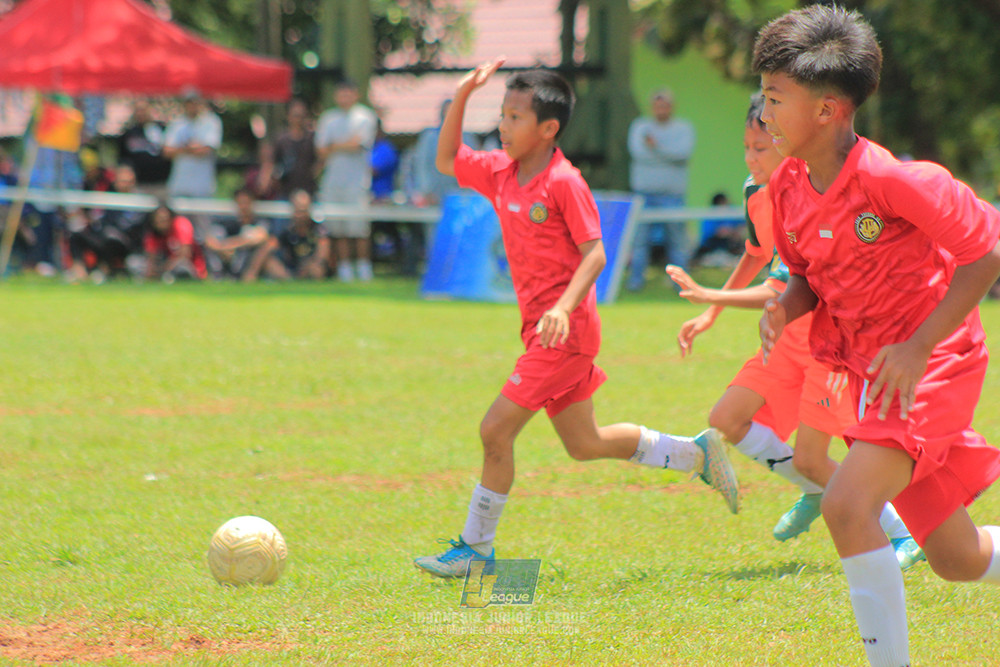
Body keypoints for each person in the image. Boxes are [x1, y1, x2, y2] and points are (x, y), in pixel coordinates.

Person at [412, 60, 739, 579]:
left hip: (566, 334)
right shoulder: (500, 171)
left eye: (515, 116)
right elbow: (448, 157)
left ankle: (476, 550)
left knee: (495, 430)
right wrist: (459, 96)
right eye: (502, 114)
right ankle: (695, 454)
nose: (503, 124)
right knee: (584, 443)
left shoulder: (564, 181)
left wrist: (563, 307)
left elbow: (595, 254)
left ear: (549, 129)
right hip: (542, 332)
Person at [753, 6, 1000, 666]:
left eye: (777, 98)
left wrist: (919, 346)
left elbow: (985, 255)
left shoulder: (895, 181)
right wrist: (787, 304)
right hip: (867, 371)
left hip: (929, 364)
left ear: (830, 110)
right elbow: (807, 273)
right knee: (957, 558)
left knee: (845, 504)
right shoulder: (786, 187)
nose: (764, 112)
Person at [666, 94, 923, 569]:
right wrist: (711, 315)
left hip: (826, 343)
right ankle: (813, 488)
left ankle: (902, 532)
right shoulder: (754, 192)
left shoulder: (810, 192)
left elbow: (779, 285)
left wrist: (710, 297)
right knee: (727, 417)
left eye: (761, 148)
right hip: (785, 337)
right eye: (747, 146)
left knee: (823, 455)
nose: (751, 158)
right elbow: (755, 253)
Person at [626, 88, 695, 291]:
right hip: (643, 195)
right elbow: (638, 153)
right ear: (652, 107)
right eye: (657, 105)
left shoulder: (684, 128)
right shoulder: (639, 126)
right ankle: (635, 283)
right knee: (639, 242)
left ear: (672, 107)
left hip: (673, 195)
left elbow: (683, 153)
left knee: (677, 242)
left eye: (665, 105)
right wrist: (668, 154)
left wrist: (655, 147)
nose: (661, 109)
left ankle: (682, 285)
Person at [315, 79, 377, 282]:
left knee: (359, 229)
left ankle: (364, 268)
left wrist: (335, 145)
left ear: (356, 95)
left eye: (348, 93)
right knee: (338, 228)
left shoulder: (365, 117)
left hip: (357, 182)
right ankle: (345, 269)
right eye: (341, 93)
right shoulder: (328, 118)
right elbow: (321, 150)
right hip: (333, 181)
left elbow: (358, 144)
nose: (345, 97)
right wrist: (343, 145)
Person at [65, 164, 144, 282]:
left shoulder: (139, 201)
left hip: (126, 243)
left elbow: (131, 226)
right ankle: (80, 270)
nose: (125, 184)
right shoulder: (108, 197)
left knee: (111, 238)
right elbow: (98, 218)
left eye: (128, 181)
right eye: (122, 181)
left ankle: (105, 271)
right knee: (76, 234)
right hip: (103, 236)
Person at [162, 91, 222, 239]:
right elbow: (167, 151)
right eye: (189, 102)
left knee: (203, 232)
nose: (192, 106)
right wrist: (191, 148)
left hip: (201, 188)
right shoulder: (177, 123)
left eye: (195, 102)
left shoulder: (211, 122)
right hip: (179, 186)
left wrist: (181, 149)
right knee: (179, 231)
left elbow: (206, 149)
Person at [203, 188, 272, 282]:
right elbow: (209, 240)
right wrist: (222, 248)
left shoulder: (259, 222)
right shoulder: (227, 223)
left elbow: (261, 237)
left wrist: (230, 244)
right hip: (227, 258)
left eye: (246, 202)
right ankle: (217, 276)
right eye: (240, 203)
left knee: (250, 235)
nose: (243, 206)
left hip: (246, 263)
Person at [262, 189, 332, 281]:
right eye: (298, 210)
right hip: (292, 270)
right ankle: (290, 281)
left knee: (317, 269)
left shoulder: (318, 230)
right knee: (269, 262)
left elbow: (322, 254)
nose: (301, 215)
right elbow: (269, 246)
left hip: (311, 267)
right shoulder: (288, 230)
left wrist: (308, 266)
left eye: (303, 210)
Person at [116, 99, 171, 196]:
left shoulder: (161, 129)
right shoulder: (130, 133)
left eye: (143, 110)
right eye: (138, 110)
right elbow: (123, 158)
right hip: (139, 184)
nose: (140, 113)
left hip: (160, 183)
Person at [142, 201, 207, 282]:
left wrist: (164, 269)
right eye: (158, 220)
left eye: (164, 219)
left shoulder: (181, 225)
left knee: (181, 268)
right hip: (164, 265)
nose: (162, 222)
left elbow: (185, 254)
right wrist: (151, 271)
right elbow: (151, 258)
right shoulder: (153, 233)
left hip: (189, 266)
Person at [273, 97, 317, 199]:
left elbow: (320, 159)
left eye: (302, 115)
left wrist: (312, 173)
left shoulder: (312, 138)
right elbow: (273, 163)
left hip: (308, 191)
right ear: (288, 116)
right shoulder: (281, 140)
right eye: (296, 115)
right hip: (285, 190)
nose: (299, 119)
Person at [690, 192, 744, 268]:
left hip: (729, 245)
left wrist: (735, 231)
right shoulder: (710, 216)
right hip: (712, 246)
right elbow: (711, 234)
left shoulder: (732, 213)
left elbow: (742, 226)